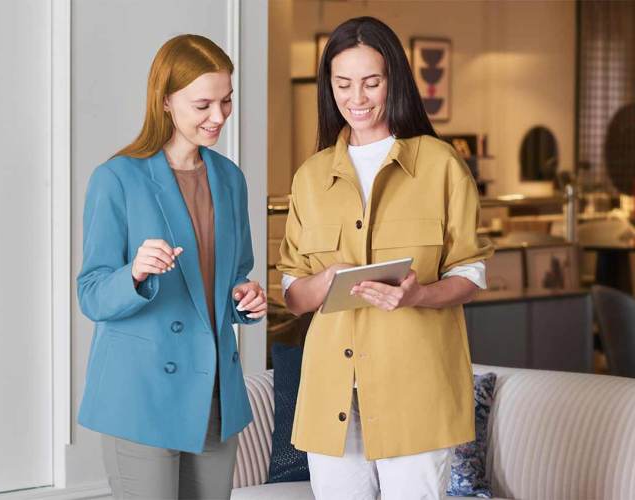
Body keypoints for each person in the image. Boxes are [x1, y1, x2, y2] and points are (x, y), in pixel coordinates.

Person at [276, 16, 493, 500]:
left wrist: (420, 294)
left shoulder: (441, 166)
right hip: (331, 390)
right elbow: (292, 294)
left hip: (415, 389)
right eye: (343, 84)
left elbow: (471, 272)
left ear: (393, 81)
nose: (357, 98)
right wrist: (324, 281)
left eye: (371, 82)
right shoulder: (310, 178)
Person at [76, 34, 266, 500]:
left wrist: (246, 297)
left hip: (213, 392)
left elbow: (233, 275)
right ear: (165, 101)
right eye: (203, 104)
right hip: (141, 395)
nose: (218, 117)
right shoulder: (117, 178)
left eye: (226, 101)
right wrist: (135, 273)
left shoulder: (230, 179)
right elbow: (92, 293)